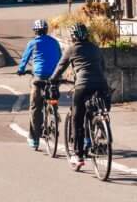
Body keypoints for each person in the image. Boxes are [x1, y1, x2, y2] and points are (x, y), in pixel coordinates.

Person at [51, 22, 110, 171]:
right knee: (99, 111)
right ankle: (102, 135)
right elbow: (103, 67)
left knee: (77, 119)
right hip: (102, 86)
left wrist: (52, 80)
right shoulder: (95, 48)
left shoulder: (72, 49)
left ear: (72, 37)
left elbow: (60, 67)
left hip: (83, 85)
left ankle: (78, 155)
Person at [16, 18, 62, 150]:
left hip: (39, 77)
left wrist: (21, 70)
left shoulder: (33, 43)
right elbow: (60, 58)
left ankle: (34, 138)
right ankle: (54, 113)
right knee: (52, 96)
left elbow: (24, 59)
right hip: (54, 77)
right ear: (46, 30)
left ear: (35, 31)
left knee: (35, 107)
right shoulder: (54, 42)